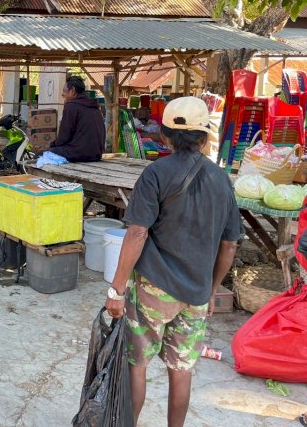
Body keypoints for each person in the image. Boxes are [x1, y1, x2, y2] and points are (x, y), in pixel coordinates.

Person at [104, 97, 242, 427]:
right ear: (205, 137)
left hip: (154, 288)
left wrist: (117, 290)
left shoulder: (155, 174)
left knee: (136, 364)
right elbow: (230, 244)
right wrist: (210, 290)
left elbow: (137, 233)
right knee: (182, 370)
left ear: (164, 136)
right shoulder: (222, 180)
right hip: (195, 294)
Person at [49, 75, 105, 162]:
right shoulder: (95, 107)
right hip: (96, 154)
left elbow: (64, 137)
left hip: (80, 153)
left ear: (72, 91)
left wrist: (53, 145)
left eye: (64, 91)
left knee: (42, 154)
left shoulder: (72, 106)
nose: (63, 94)